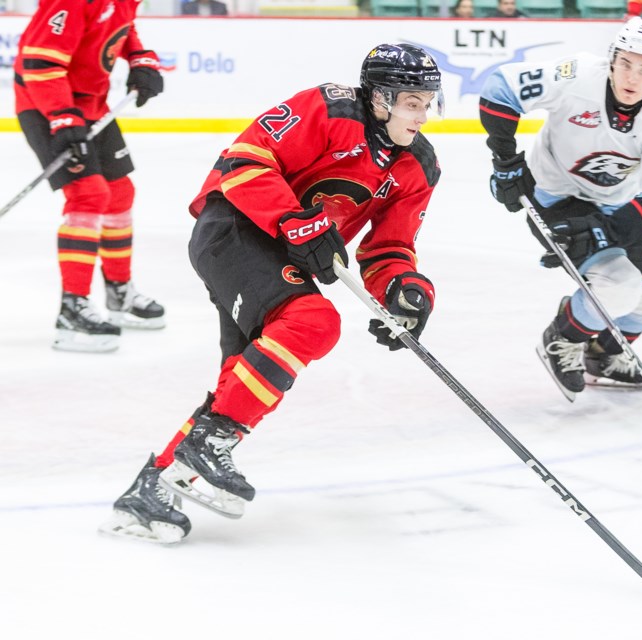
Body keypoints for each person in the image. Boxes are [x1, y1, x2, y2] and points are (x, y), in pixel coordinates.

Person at [98, 44, 444, 543]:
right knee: (313, 323)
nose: (422, 115)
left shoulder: (418, 167)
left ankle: (148, 494)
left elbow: (390, 247)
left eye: (428, 103)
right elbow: (245, 160)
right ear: (381, 98)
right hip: (235, 228)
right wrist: (294, 220)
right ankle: (210, 443)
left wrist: (405, 289)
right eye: (412, 102)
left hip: (283, 259)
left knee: (242, 383)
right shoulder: (328, 107)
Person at [479, 18, 642, 399]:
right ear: (611, 59)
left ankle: (602, 355)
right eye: (625, 63)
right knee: (621, 287)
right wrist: (505, 162)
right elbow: (501, 88)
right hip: (555, 198)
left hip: (617, 210)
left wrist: (603, 230)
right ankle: (562, 338)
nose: (632, 77)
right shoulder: (576, 75)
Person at [14, 0, 166, 352]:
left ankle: (119, 292)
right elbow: (39, 61)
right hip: (46, 104)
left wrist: (140, 58)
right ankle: (72, 307)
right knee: (88, 194)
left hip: (91, 104)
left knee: (119, 192)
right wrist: (62, 117)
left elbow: (122, 29)